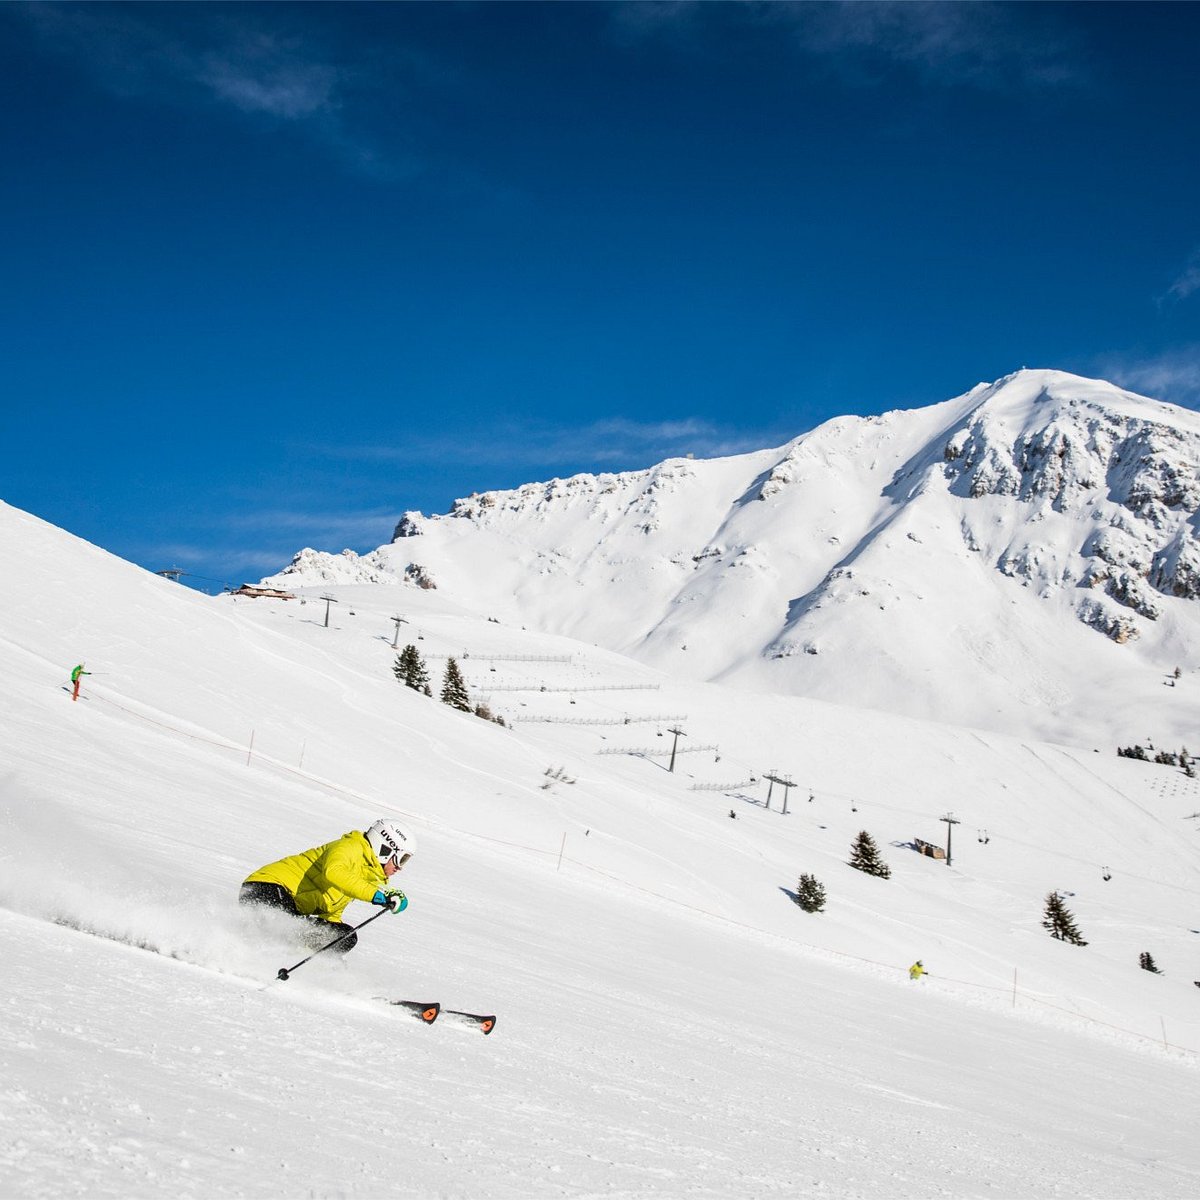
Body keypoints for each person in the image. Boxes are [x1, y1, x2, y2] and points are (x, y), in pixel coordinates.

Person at [239, 819, 414, 953]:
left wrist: (332, 959)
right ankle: (253, 957)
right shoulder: (350, 846)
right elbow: (333, 872)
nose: (399, 867)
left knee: (344, 936)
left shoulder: (361, 876)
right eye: (401, 858)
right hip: (267, 889)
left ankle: (304, 970)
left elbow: (330, 916)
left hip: (286, 906)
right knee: (282, 933)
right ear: (386, 848)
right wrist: (378, 896)